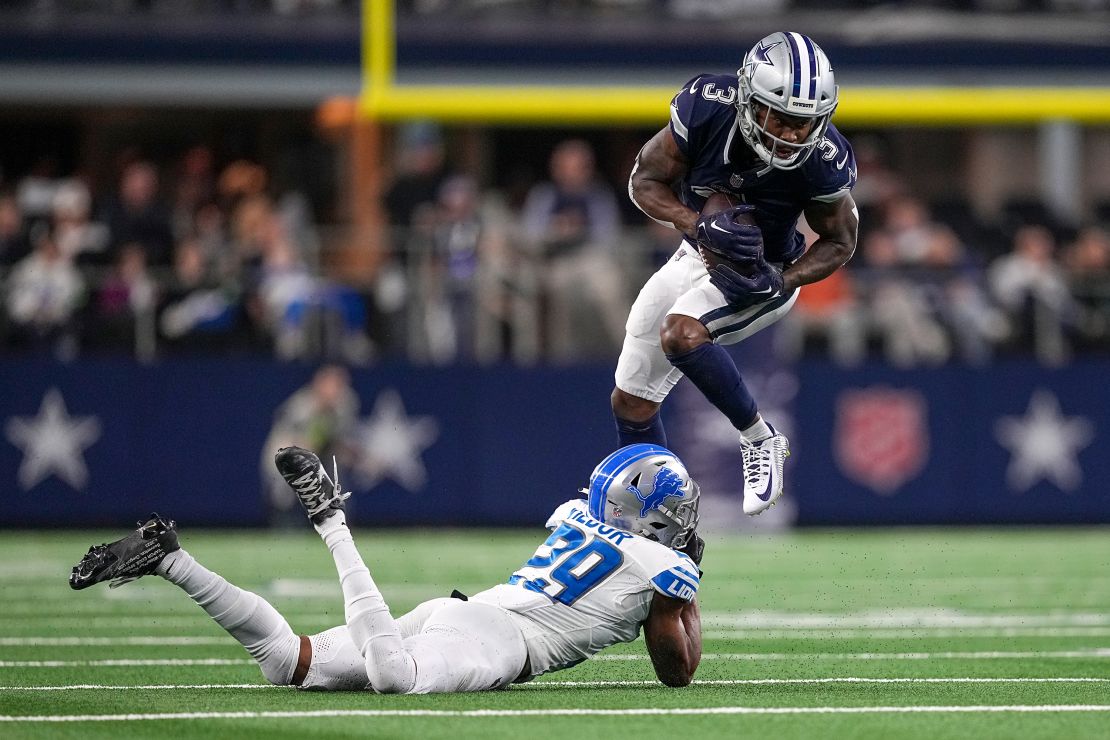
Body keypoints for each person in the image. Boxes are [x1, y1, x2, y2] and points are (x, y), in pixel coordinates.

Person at [69, 443, 705, 692]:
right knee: (396, 680)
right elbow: (676, 670)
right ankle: (332, 521)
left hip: (457, 612)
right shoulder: (660, 565)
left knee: (290, 663)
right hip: (504, 640)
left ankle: (171, 558)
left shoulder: (573, 517)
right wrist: (686, 592)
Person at [615, 31, 858, 515]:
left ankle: (759, 437)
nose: (793, 134)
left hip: (764, 271)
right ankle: (655, 520)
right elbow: (643, 181)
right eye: (783, 117)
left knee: (681, 334)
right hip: (695, 254)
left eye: (805, 122)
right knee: (631, 401)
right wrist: (697, 225)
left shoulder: (823, 159)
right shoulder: (706, 106)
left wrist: (783, 282)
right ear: (749, 99)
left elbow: (841, 241)